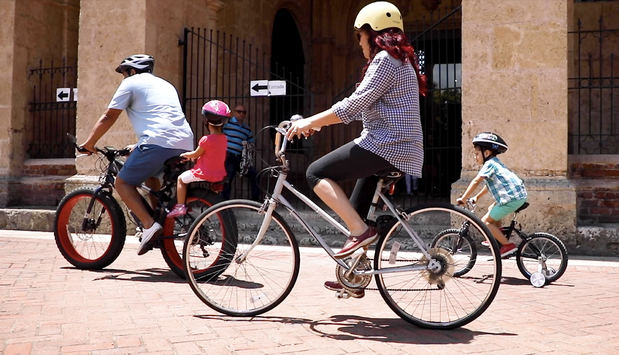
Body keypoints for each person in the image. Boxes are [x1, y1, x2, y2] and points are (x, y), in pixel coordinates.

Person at [285, 1, 427, 298]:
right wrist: (319, 124)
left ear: (372, 34)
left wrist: (311, 121)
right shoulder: (401, 61)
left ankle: (362, 234)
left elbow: (354, 104)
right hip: (398, 146)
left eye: (359, 36)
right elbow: (366, 107)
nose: (358, 43)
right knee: (356, 210)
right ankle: (355, 273)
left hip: (387, 145)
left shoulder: (386, 60)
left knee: (315, 173)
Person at [80, 54, 194, 256]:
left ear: (131, 71)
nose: (124, 78)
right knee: (151, 178)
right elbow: (162, 119)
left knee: (122, 183)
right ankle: (160, 219)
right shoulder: (166, 85)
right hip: (184, 142)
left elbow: (109, 116)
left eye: (124, 73)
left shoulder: (131, 83)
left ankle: (150, 225)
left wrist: (89, 143)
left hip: (157, 142)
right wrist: (140, 144)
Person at [456, 132, 528, 258]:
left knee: (484, 223)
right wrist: (476, 197)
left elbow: (476, 181)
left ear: (487, 153)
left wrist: (464, 198)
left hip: (511, 199)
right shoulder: (495, 163)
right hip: (516, 197)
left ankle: (507, 245)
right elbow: (487, 186)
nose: (475, 157)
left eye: (477, 154)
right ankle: (497, 236)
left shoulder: (489, 164)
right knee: (492, 209)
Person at [167, 100, 229, 218]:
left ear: (206, 121)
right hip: (218, 174)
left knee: (180, 179)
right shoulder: (224, 139)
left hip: (204, 173)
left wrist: (184, 155)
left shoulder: (205, 139)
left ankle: (180, 206)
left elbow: (195, 154)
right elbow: (212, 153)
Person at [222, 104, 260, 201]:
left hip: (239, 158)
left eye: (244, 112)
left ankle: (255, 202)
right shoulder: (227, 124)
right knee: (228, 180)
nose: (241, 114)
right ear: (234, 112)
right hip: (228, 156)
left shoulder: (246, 129)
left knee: (254, 174)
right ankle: (223, 205)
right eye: (239, 111)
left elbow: (251, 144)